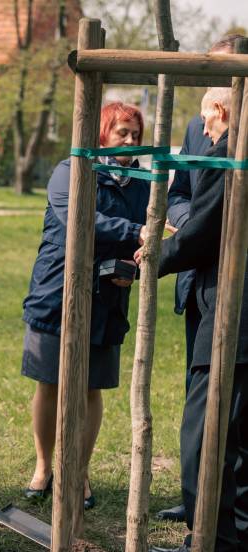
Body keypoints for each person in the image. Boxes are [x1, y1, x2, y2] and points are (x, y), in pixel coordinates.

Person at [138, 88, 248, 552]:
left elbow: (203, 232)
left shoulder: (231, 158)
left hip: (232, 314)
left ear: (223, 111)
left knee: (201, 437)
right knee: (239, 434)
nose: (203, 131)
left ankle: (211, 544)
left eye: (207, 119)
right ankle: (236, 536)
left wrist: (155, 256)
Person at [21, 102, 149, 510]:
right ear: (102, 135)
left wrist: (138, 260)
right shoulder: (70, 170)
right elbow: (80, 218)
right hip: (58, 289)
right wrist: (138, 230)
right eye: (122, 133)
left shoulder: (143, 182)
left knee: (93, 387)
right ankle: (43, 466)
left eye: (135, 135)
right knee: (50, 382)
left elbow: (149, 239)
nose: (129, 141)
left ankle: (79, 471)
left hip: (109, 296)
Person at [159, 33, 244, 524]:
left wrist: (158, 255)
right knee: (217, 408)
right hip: (202, 286)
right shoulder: (200, 129)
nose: (206, 112)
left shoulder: (233, 138)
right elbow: (182, 193)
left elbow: (209, 228)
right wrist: (194, 218)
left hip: (231, 291)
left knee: (213, 415)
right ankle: (212, 513)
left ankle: (212, 527)